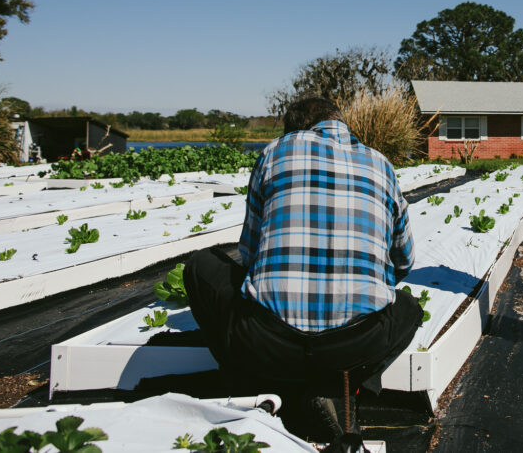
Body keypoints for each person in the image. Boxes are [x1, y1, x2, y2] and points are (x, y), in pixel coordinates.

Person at [181, 96, 423, 439]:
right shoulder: (381, 164)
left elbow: (249, 256)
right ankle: (345, 385)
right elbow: (405, 262)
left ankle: (247, 379)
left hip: (268, 341)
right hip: (355, 344)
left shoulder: (274, 153)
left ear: (295, 128)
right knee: (410, 309)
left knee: (199, 265)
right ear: (340, 122)